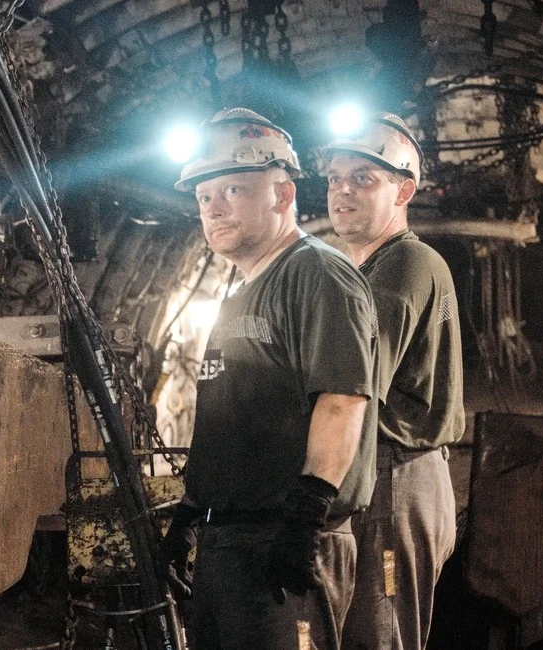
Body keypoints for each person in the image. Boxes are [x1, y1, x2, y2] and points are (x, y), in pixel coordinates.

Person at [159, 107, 379, 650]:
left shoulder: (318, 274)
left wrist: (305, 517)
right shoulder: (240, 293)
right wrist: (192, 511)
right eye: (204, 197)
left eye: (233, 190)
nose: (214, 208)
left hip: (283, 540)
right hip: (229, 542)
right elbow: (235, 418)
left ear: (283, 194)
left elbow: (342, 401)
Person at [322, 113, 465, 650]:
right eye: (335, 178)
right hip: (392, 478)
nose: (343, 190)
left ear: (403, 190)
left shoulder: (404, 265)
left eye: (363, 178)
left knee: (379, 638)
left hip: (394, 481)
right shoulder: (376, 268)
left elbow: (350, 383)